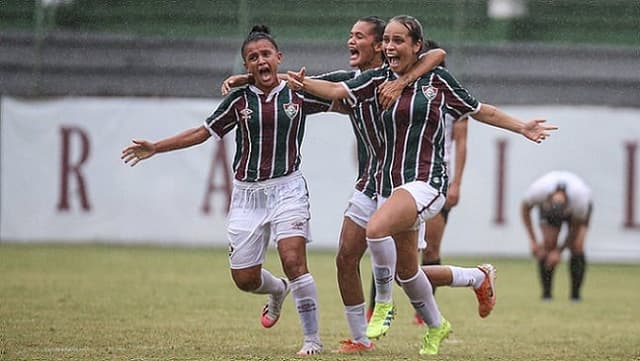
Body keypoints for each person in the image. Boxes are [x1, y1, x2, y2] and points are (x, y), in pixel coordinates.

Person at [287, 14, 557, 355]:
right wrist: (297, 83)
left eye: (398, 40)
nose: (389, 46)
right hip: (384, 184)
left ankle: (383, 305)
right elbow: (337, 90)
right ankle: (461, 295)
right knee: (406, 272)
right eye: (387, 39)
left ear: (416, 45)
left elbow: (478, 108)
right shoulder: (376, 79)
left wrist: (521, 127)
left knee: (377, 229)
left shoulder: (437, 81)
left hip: (426, 181)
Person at [222, 16, 448, 354]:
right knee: (346, 258)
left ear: (379, 45)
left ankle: (457, 286)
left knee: (406, 270)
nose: (350, 42)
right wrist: (253, 77)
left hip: (402, 184)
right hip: (369, 182)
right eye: (349, 35)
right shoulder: (350, 80)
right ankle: (361, 339)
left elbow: (438, 54)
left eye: (359, 36)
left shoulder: (400, 75)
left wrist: (403, 83)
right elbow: (301, 84)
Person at [121, 25, 328, 356]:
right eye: (252, 58)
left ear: (279, 57)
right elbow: (202, 132)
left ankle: (312, 341)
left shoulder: (299, 93)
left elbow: (340, 91)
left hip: (288, 188)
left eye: (265, 54)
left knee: (293, 258)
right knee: (245, 279)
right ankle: (278, 290)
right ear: (246, 66)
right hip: (248, 195)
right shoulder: (239, 100)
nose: (260, 61)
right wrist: (156, 147)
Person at [521, 170, 592, 302]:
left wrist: (559, 251)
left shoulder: (580, 200)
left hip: (578, 213)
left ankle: (575, 295)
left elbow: (575, 229)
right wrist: (533, 241)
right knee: (548, 244)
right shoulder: (538, 191)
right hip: (553, 206)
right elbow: (525, 209)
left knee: (577, 246)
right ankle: (546, 294)